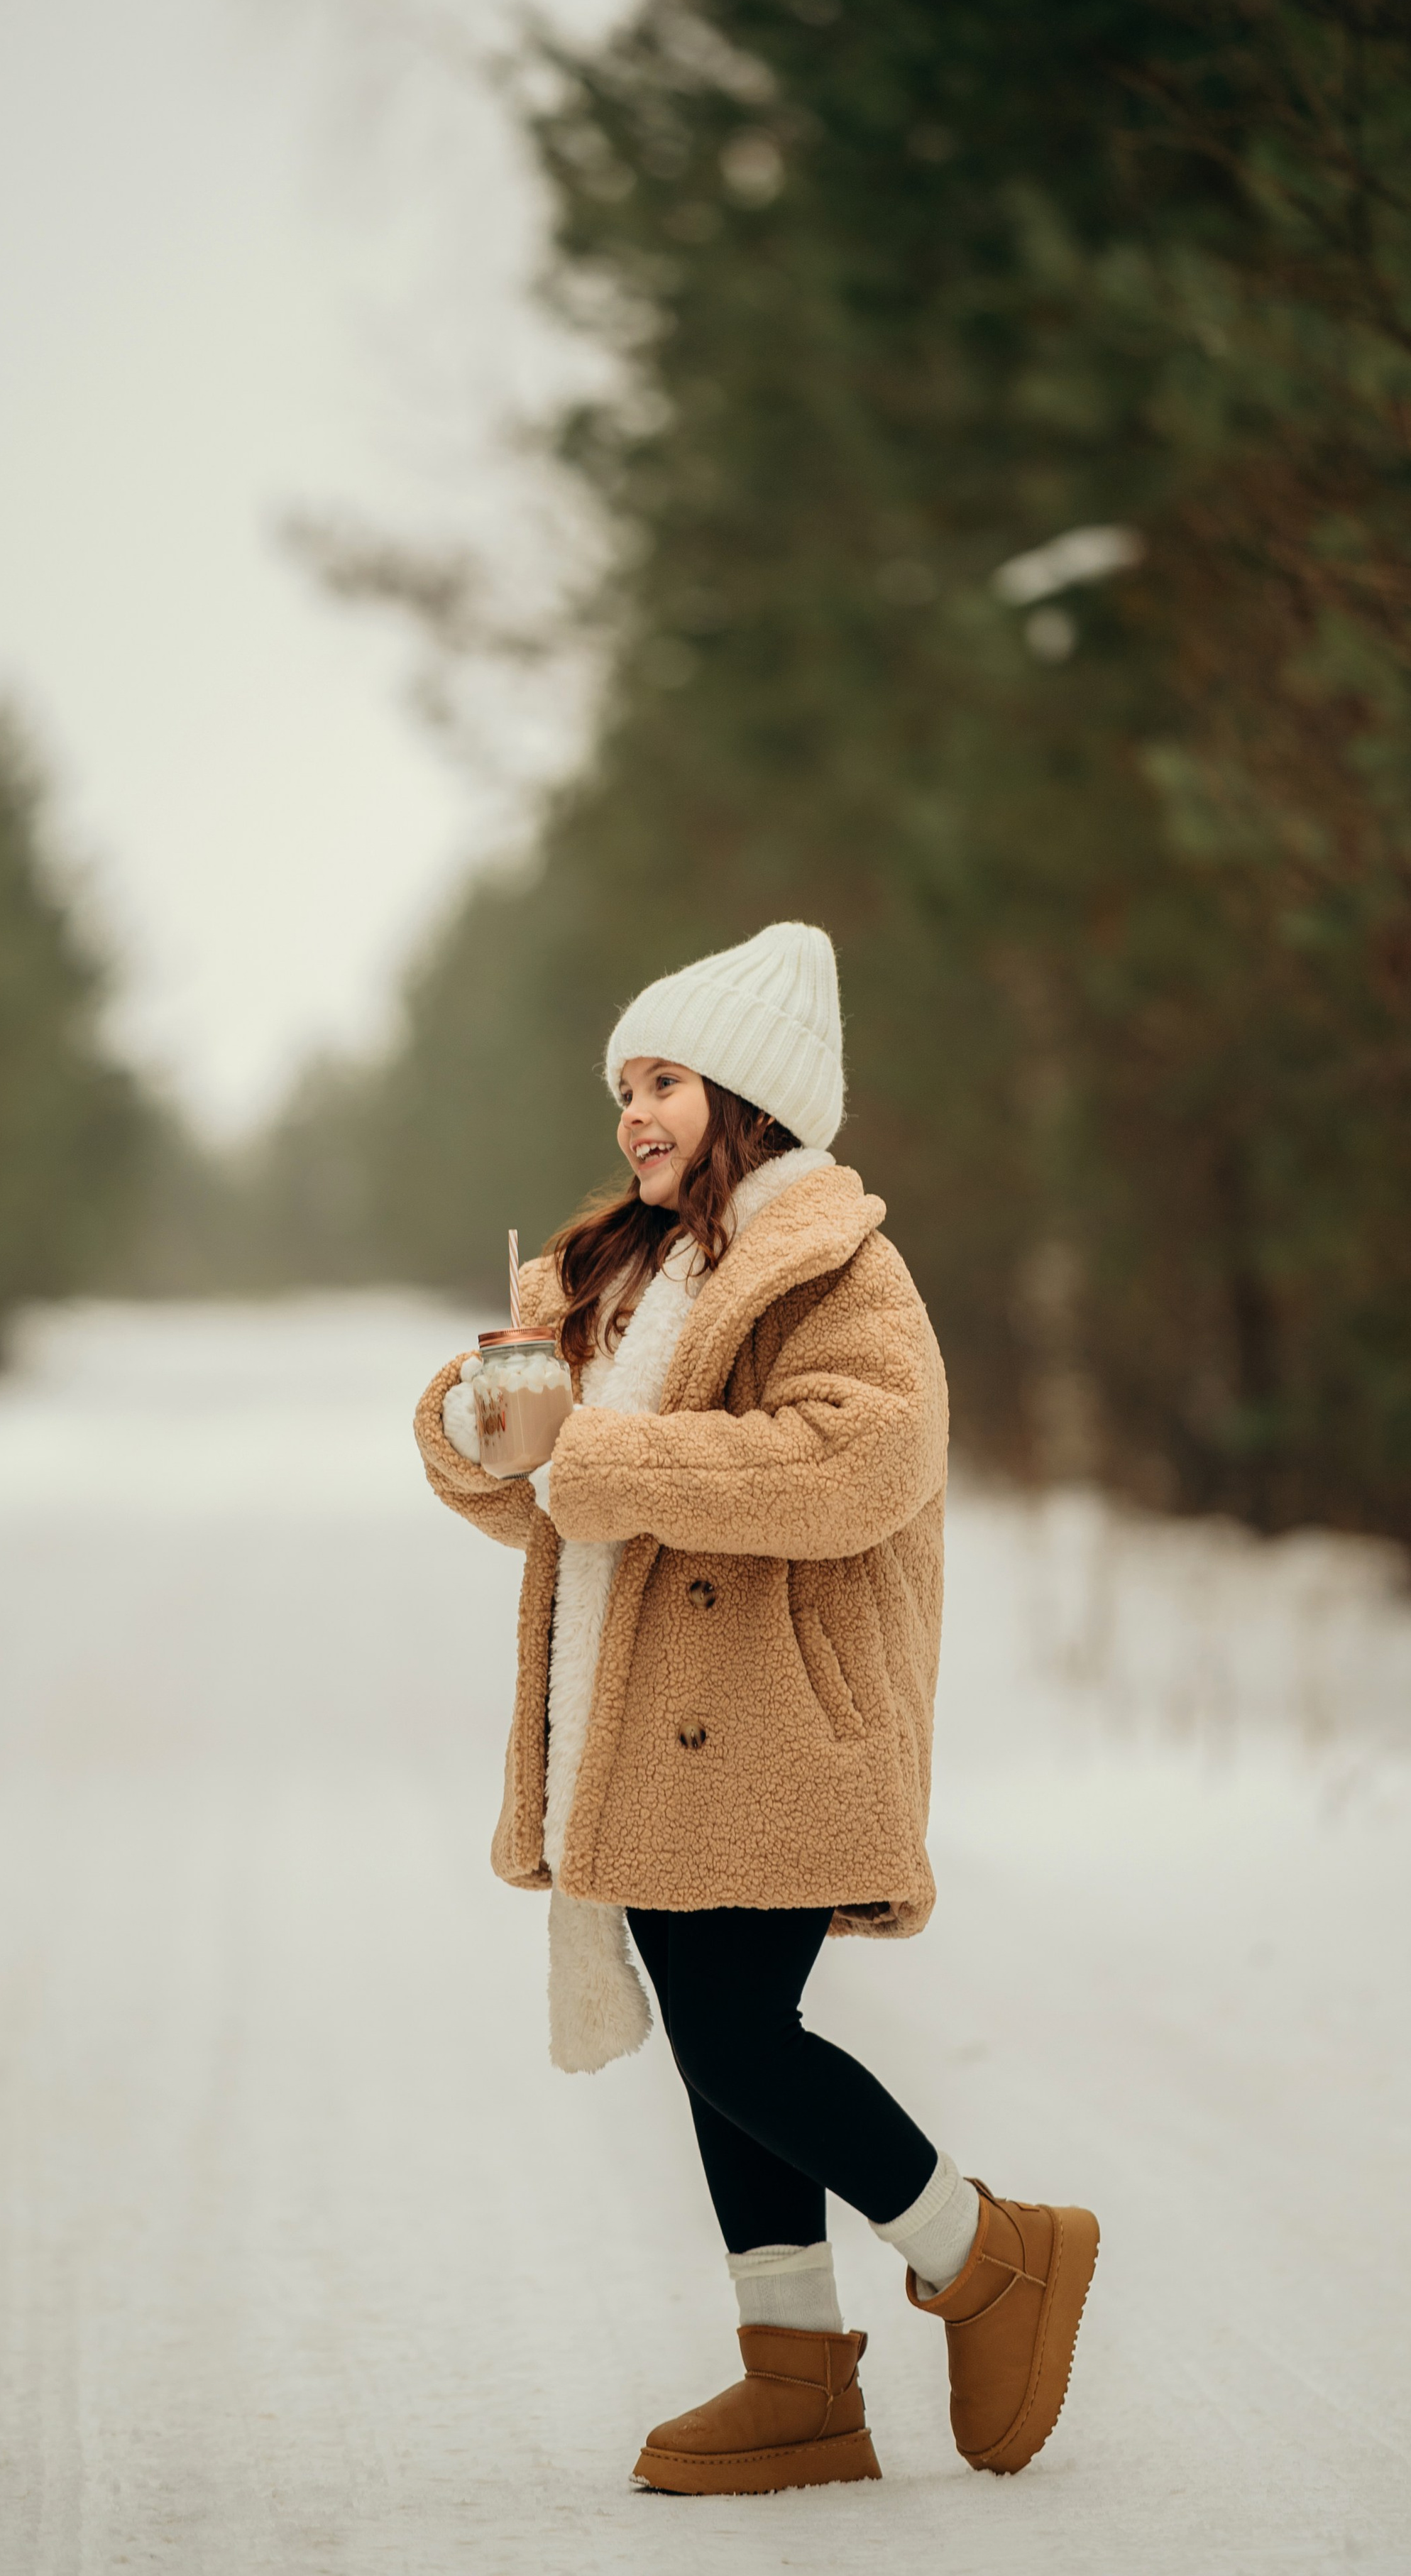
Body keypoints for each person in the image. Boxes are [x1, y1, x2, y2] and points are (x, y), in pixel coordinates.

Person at [413, 922, 1098, 2495]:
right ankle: (793, 2374)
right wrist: (481, 1428)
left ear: (748, 1096)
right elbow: (548, 1492)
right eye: (620, 1087)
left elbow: (856, 1464)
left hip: (781, 1720)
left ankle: (987, 2253)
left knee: (733, 2040)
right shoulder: (621, 1267)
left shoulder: (835, 1262)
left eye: (659, 1081)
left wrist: (585, 1455)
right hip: (643, 1726)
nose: (630, 1114)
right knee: (727, 2045)